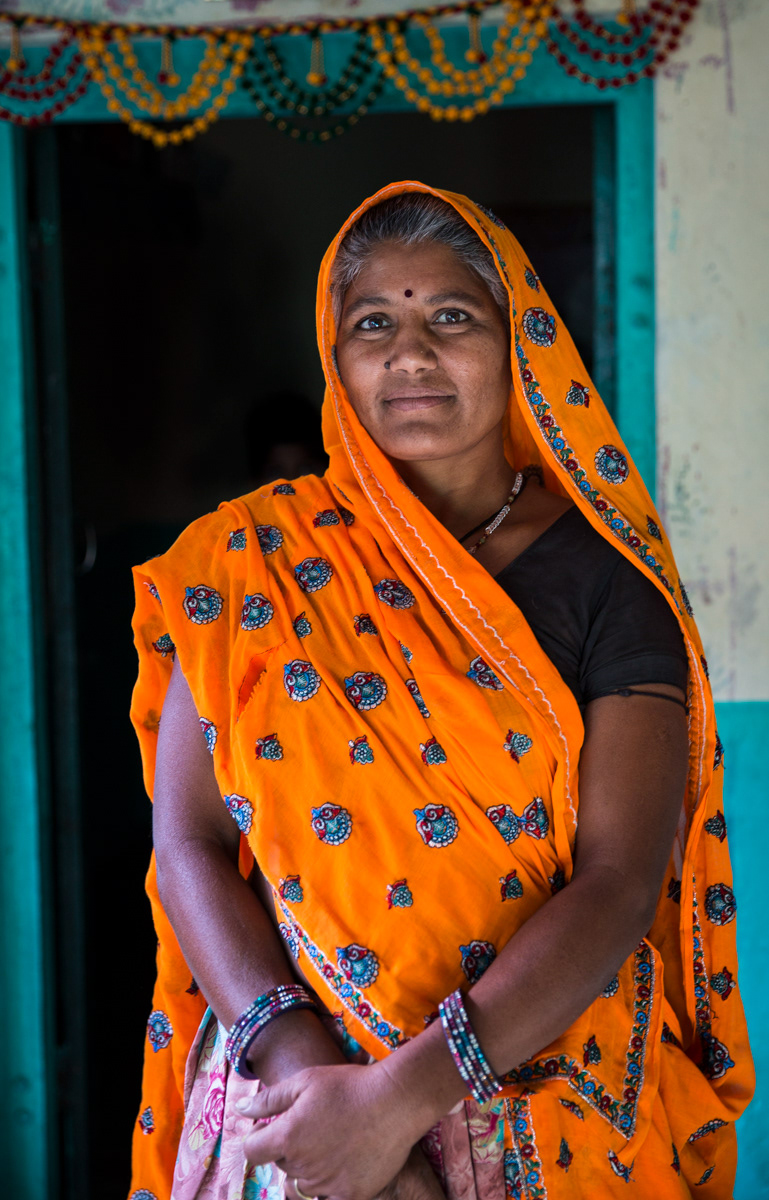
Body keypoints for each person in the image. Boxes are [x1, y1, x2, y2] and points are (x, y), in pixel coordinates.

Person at [129, 184, 752, 1200]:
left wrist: (403, 1099)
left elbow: (617, 883)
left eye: (449, 318)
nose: (409, 355)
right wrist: (319, 1085)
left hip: (541, 1103)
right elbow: (189, 839)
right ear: (335, 355)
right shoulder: (245, 562)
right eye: (373, 322)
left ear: (521, 347)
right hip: (297, 1099)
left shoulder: (605, 583)